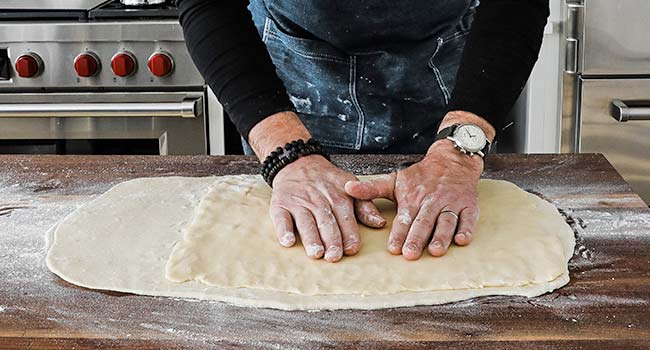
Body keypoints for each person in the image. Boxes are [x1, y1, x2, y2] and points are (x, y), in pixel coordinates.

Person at [177, 0, 549, 262]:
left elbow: (516, 6)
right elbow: (210, 5)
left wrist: (458, 151)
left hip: (449, 93)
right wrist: (285, 154)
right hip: (288, 94)